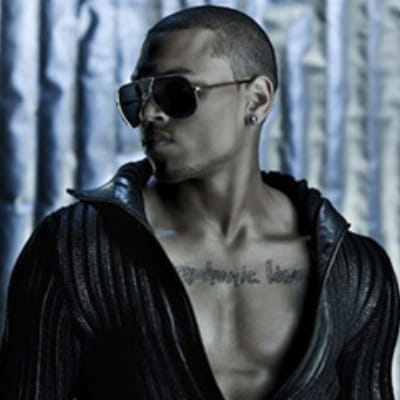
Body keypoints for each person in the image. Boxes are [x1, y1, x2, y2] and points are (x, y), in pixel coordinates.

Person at [0, 5, 399, 400]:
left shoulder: (355, 271)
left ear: (257, 100)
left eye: (176, 92)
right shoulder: (73, 251)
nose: (150, 113)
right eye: (138, 95)